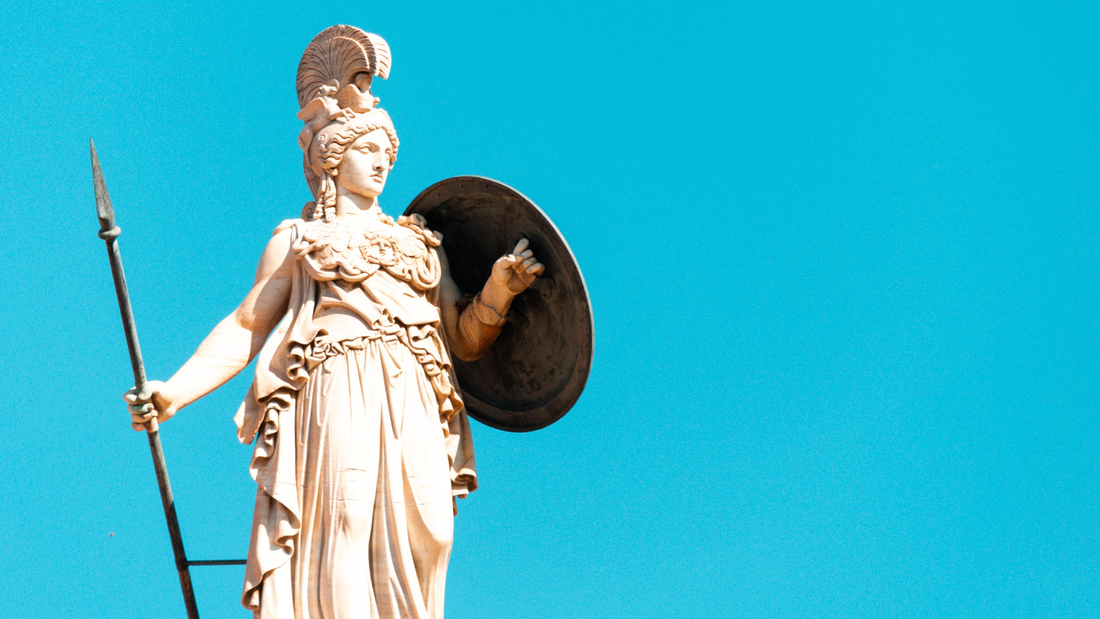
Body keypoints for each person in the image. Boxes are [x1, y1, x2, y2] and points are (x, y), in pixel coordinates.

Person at [124, 99, 543, 618]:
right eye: (367, 148)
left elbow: (464, 340)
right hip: (338, 377)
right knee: (344, 521)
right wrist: (175, 392)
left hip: (414, 383)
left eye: (387, 151)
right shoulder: (299, 240)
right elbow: (246, 325)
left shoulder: (419, 244)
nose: (381, 161)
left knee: (433, 532)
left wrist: (499, 294)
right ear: (331, 159)